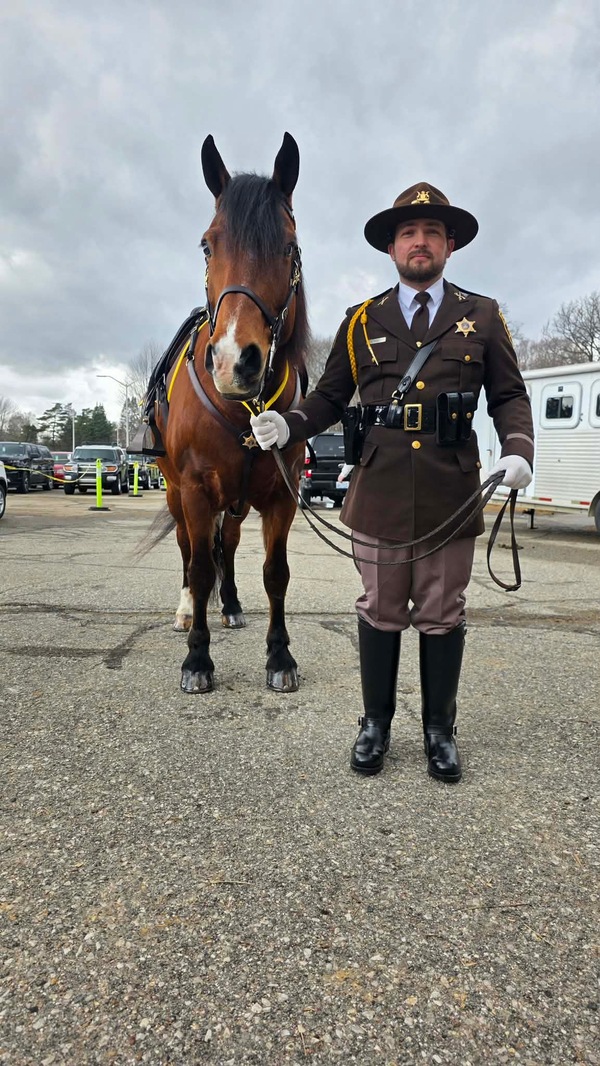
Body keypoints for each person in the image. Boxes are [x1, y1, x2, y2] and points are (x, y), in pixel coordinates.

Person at [250, 182, 534, 783]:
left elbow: (508, 394)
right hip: (377, 490)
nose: (420, 242)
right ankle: (374, 725)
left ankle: (439, 731)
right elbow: (328, 398)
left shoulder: (481, 316)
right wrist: (288, 420)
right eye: (409, 232)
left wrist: (518, 450)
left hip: (450, 492)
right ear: (392, 247)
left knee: (442, 610)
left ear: (450, 245)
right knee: (380, 607)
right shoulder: (360, 321)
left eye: (432, 231)